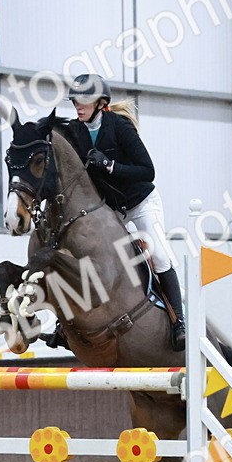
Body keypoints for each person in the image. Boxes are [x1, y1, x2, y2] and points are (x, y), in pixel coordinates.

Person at [64, 72, 186, 350]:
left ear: (101, 102)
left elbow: (148, 171)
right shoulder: (76, 130)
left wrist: (109, 165)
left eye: (83, 101)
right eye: (75, 102)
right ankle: (67, 323)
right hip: (112, 210)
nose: (77, 106)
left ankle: (179, 321)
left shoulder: (119, 126)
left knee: (158, 255)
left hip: (141, 203)